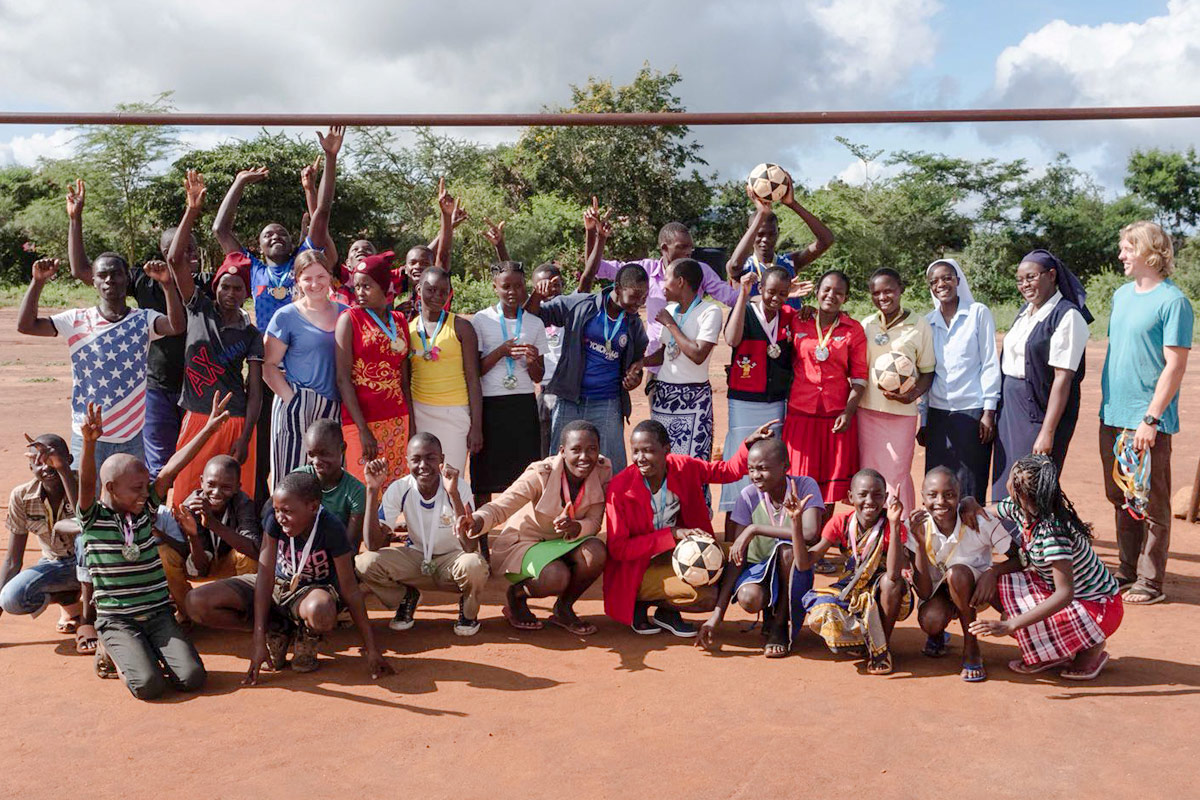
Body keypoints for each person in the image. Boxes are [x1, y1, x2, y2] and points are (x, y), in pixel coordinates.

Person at [212, 126, 340, 504]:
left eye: (282, 233)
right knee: (268, 441)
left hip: (304, 364)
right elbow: (221, 229)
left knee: (314, 446)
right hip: (266, 363)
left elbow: (323, 213)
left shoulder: (304, 265)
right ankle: (264, 509)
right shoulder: (253, 269)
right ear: (258, 244)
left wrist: (328, 162)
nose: (276, 237)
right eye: (268, 235)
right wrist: (238, 183)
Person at [75, 395, 230, 700]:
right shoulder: (93, 518)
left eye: (146, 487)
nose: (144, 494)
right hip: (118, 620)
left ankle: (144, 650)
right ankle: (114, 650)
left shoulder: (144, 510)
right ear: (110, 489)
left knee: (193, 678)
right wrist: (90, 444)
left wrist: (208, 430)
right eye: (136, 489)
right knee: (148, 686)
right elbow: (85, 482)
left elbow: (171, 469)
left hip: (158, 614)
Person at [65, 178, 209, 475]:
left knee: (196, 460)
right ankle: (154, 519)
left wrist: (192, 212)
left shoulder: (207, 284)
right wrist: (75, 220)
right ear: (163, 251)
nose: (187, 255)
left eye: (192, 249)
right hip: (157, 386)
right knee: (156, 465)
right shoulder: (146, 278)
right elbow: (82, 270)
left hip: (199, 385)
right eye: (180, 250)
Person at [17, 256, 184, 484]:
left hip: (131, 436)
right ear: (93, 281)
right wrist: (37, 282)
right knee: (85, 508)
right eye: (102, 275)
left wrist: (167, 284)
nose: (109, 280)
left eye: (116, 274)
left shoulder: (143, 320)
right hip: (86, 436)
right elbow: (26, 326)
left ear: (127, 278)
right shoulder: (76, 320)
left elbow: (176, 326)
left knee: (129, 508)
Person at [603, 420, 773, 637]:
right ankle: (641, 602)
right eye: (635, 451)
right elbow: (618, 549)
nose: (640, 458)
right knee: (708, 596)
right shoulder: (620, 488)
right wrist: (671, 535)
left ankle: (666, 612)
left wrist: (747, 445)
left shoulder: (682, 467)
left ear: (666, 450)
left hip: (677, 554)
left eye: (648, 451)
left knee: (734, 554)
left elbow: (725, 472)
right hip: (637, 567)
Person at [1098, 221, 1194, 606]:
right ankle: (1126, 569)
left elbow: (1175, 366)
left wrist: (1152, 418)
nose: (1121, 255)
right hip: (1113, 413)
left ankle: (1151, 581)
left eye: (1127, 248)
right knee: (1121, 494)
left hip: (1146, 419)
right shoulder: (1122, 295)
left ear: (1150, 252)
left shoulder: (1174, 302)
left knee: (1152, 502)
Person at [968, 454, 1122, 681]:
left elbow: (1064, 594)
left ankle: (1092, 648)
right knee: (995, 583)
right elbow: (981, 512)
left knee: (1013, 616)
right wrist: (967, 503)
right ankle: (1050, 653)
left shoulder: (1053, 533)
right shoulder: (1021, 509)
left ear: (1019, 491)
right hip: (1066, 595)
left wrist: (1011, 625)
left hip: (1099, 608)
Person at [458, 420, 610, 635]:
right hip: (527, 543)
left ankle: (564, 608)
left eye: (592, 449)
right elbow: (503, 505)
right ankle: (517, 596)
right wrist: (477, 519)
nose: (584, 457)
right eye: (576, 450)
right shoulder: (541, 473)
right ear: (562, 451)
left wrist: (574, 527)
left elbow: (594, 523)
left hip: (565, 543)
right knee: (556, 576)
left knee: (595, 552)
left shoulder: (603, 470)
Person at [166, 170, 263, 501]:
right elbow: (175, 259)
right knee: (185, 492)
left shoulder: (251, 334)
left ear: (246, 294)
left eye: (238, 288)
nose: (231, 293)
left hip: (234, 420)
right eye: (225, 285)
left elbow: (254, 393)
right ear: (215, 286)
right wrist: (192, 211)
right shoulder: (198, 308)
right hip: (196, 415)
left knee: (233, 497)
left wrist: (247, 434)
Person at [244, 470, 392, 681]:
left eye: (286, 511)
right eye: (276, 510)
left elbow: (350, 589)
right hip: (279, 586)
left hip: (311, 593)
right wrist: (258, 640)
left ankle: (306, 633)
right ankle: (278, 629)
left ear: (312, 507)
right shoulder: (274, 519)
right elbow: (265, 575)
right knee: (201, 603)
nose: (280, 517)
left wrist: (372, 649)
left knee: (320, 610)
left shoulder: (331, 527)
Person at [699, 438, 823, 656]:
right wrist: (717, 615)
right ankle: (769, 611)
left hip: (795, 571)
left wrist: (755, 528)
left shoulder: (804, 486)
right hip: (760, 570)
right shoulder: (748, 496)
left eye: (763, 468)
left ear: (785, 467)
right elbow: (738, 558)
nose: (756, 475)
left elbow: (810, 534)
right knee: (749, 597)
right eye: (751, 469)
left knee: (787, 551)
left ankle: (779, 625)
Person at [357, 435, 488, 636]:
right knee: (365, 563)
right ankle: (406, 597)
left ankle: (469, 612)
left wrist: (453, 494)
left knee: (474, 564)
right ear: (407, 460)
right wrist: (372, 490)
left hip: (453, 561)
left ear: (441, 459)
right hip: (417, 559)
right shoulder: (400, 488)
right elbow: (372, 544)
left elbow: (470, 547)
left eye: (430, 458)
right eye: (416, 459)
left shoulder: (458, 485)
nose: (423, 465)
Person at [528, 263, 650, 471]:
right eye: (635, 296)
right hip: (569, 399)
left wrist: (634, 378)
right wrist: (537, 295)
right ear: (617, 288)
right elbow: (533, 315)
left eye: (644, 297)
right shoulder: (581, 305)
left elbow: (635, 366)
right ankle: (561, 504)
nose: (639, 303)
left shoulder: (633, 324)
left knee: (613, 469)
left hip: (608, 402)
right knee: (560, 464)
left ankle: (611, 505)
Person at [992, 249, 1091, 501]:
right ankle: (1010, 540)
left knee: (1031, 485)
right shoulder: (1026, 312)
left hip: (1039, 410)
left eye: (1031, 277)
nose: (1024, 284)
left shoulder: (1067, 316)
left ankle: (1037, 540)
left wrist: (1047, 432)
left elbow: (1063, 378)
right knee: (1007, 480)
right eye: (1020, 280)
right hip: (1011, 410)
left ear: (1051, 275)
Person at [907, 467, 1015, 682]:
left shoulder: (979, 521)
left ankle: (971, 645)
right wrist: (918, 544)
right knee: (930, 621)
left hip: (977, 591)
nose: (941, 502)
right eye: (932, 495)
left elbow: (1020, 557)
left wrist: (993, 572)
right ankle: (937, 636)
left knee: (957, 574)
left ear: (959, 496)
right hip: (939, 592)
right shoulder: (918, 527)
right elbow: (926, 592)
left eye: (949, 495)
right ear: (922, 497)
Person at [801, 469, 911, 675]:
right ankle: (861, 641)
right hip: (851, 590)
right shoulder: (840, 522)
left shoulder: (892, 525)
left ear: (885, 498)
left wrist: (895, 524)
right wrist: (796, 523)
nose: (870, 501)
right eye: (862, 494)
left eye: (877, 495)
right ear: (851, 497)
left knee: (890, 583)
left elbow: (895, 574)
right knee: (821, 611)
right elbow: (805, 562)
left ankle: (882, 649)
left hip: (886, 593)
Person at [587, 218, 741, 361]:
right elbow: (596, 268)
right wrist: (593, 233)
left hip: (688, 357)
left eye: (690, 248)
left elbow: (731, 298)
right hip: (655, 359)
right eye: (682, 247)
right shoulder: (646, 269)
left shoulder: (700, 271)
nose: (688, 252)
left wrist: (754, 294)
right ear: (664, 248)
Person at [782, 270, 867, 512]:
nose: (832, 295)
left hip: (836, 414)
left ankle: (820, 539)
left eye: (839, 292)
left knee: (831, 481)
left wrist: (849, 413)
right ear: (817, 292)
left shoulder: (854, 330)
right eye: (827, 289)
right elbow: (769, 308)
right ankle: (798, 537)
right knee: (798, 478)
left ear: (846, 298)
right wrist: (790, 296)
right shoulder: (799, 319)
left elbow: (859, 378)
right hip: (801, 412)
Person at [921, 258, 1001, 502]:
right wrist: (923, 420)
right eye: (934, 281)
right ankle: (939, 539)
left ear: (957, 281)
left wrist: (988, 412)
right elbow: (926, 370)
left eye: (947, 278)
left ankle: (971, 538)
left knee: (969, 481)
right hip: (938, 413)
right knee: (938, 482)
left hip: (971, 412)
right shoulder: (927, 321)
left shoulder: (978, 313)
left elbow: (989, 362)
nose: (941, 284)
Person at [263, 250, 348, 480]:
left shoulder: (346, 314)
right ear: (297, 280)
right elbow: (268, 366)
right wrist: (293, 401)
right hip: (297, 401)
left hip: (334, 406)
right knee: (292, 479)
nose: (314, 284)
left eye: (320, 276)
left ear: (330, 277)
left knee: (329, 479)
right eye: (307, 278)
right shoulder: (286, 316)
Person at [719, 268, 797, 512]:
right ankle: (738, 513)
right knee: (743, 455)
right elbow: (732, 339)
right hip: (743, 400)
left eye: (783, 293)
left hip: (775, 401)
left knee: (770, 458)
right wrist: (742, 294)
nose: (776, 298)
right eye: (771, 291)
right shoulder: (745, 310)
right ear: (760, 288)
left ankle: (769, 514)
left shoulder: (789, 315)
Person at [858, 268, 935, 516]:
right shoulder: (867, 324)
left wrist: (911, 395)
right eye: (876, 293)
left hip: (902, 414)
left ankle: (900, 532)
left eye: (888, 290)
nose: (882, 297)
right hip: (867, 411)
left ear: (901, 289)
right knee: (869, 472)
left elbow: (927, 371)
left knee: (896, 472)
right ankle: (871, 532)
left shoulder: (919, 324)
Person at [471, 261, 548, 505]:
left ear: (525, 287)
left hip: (522, 404)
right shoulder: (482, 320)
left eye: (518, 286)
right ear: (495, 287)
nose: (512, 291)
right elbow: (476, 370)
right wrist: (500, 352)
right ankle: (481, 537)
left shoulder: (534, 324)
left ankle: (525, 533)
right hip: (490, 404)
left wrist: (532, 360)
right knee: (484, 476)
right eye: (506, 286)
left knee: (525, 474)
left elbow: (538, 376)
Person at [334, 250, 414, 484]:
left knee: (395, 490)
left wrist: (411, 423)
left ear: (383, 286)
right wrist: (362, 429)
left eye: (366, 286)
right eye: (357, 286)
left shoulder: (399, 320)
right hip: (362, 421)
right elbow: (342, 379)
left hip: (398, 418)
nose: (359, 292)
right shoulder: (349, 320)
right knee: (364, 489)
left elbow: (403, 378)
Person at [644, 258, 723, 475]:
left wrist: (670, 323)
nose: (662, 285)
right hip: (665, 397)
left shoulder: (710, 312)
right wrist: (641, 363)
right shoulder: (670, 309)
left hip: (694, 399)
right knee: (662, 464)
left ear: (680, 281)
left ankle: (691, 509)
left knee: (692, 467)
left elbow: (698, 354)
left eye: (666, 279)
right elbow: (665, 352)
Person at [163, 455, 262, 623]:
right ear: (201, 482)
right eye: (211, 485)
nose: (216, 492)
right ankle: (187, 613)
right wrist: (193, 536)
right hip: (200, 563)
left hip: (230, 566)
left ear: (237, 487)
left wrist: (213, 524)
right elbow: (201, 569)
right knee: (164, 554)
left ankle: (247, 614)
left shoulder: (243, 503)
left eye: (226, 487)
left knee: (247, 557)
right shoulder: (190, 507)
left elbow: (254, 550)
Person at [0, 435, 81, 639]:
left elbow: (86, 520)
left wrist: (62, 470)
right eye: (39, 461)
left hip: (92, 563)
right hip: (55, 564)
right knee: (11, 598)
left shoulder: (84, 483)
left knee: (82, 537)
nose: (47, 466)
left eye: (52, 459)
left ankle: (89, 619)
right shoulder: (21, 496)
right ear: (31, 468)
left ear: (68, 460)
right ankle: (69, 599)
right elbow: (12, 560)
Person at [407, 267, 483, 473]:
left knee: (452, 475)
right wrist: (410, 422)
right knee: (422, 478)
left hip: (454, 412)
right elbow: (405, 379)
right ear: (418, 288)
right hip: (419, 410)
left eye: (443, 292)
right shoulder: (408, 329)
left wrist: (476, 426)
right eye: (431, 290)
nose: (437, 296)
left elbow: (473, 379)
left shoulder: (461, 327)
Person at [724, 181, 834, 307]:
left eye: (771, 234)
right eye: (759, 234)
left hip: (787, 327)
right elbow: (734, 265)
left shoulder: (790, 262)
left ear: (778, 233)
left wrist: (793, 204)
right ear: (750, 233)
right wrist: (761, 213)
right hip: (754, 327)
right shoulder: (743, 267)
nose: (765, 239)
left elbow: (826, 240)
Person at [297, 420, 366, 549]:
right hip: (298, 557)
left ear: (342, 449)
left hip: (337, 559)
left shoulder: (356, 491)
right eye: (311, 455)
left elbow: (351, 546)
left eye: (324, 454)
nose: (316, 461)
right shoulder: (298, 480)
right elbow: (270, 513)